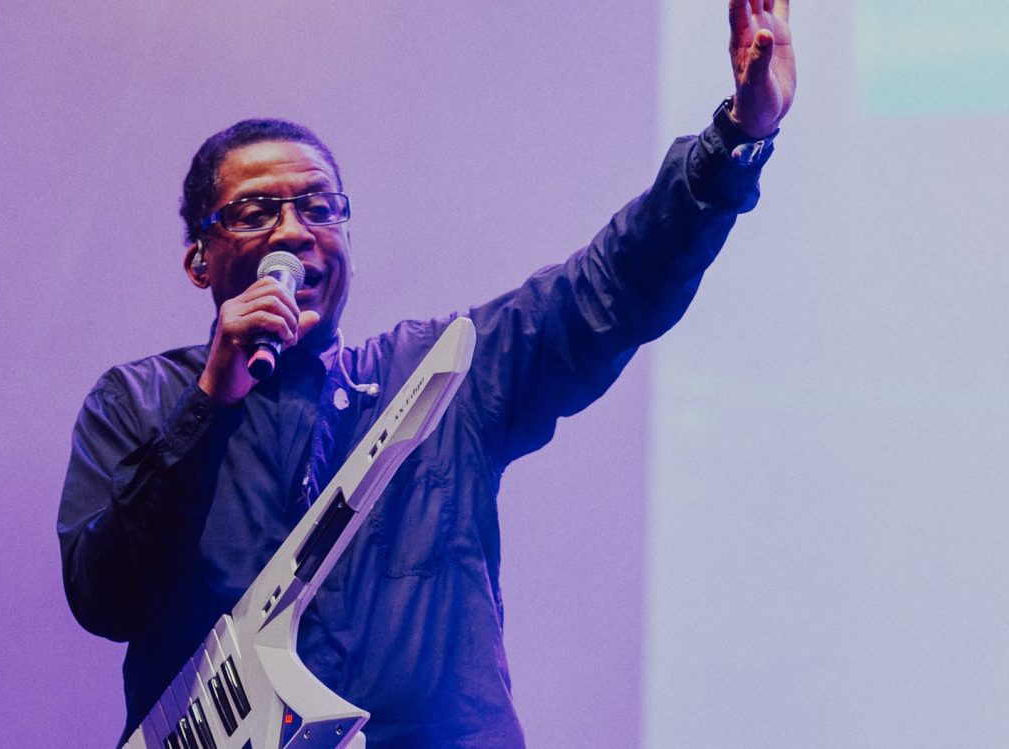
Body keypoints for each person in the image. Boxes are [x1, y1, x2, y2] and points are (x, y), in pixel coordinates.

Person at [58, 2, 795, 746]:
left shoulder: (436, 374)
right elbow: (105, 597)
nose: (292, 232)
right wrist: (210, 402)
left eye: (319, 207)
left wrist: (736, 137)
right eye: (254, 212)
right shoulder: (140, 402)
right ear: (199, 260)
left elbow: (610, 286)